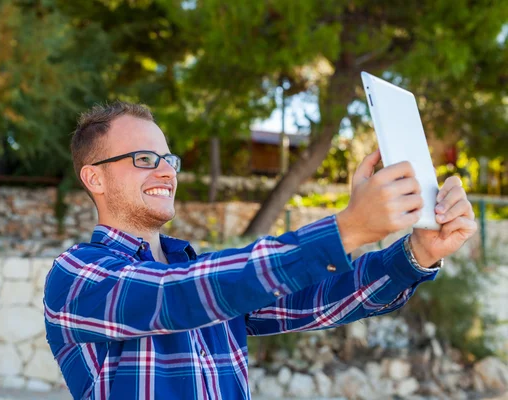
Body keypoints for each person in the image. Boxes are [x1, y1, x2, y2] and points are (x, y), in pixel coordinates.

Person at [44, 101, 477, 400]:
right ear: (94, 179)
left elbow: (316, 299)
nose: (165, 170)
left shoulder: (201, 273)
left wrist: (417, 253)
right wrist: (347, 229)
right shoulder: (77, 277)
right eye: (143, 159)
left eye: (168, 159)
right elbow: (179, 295)